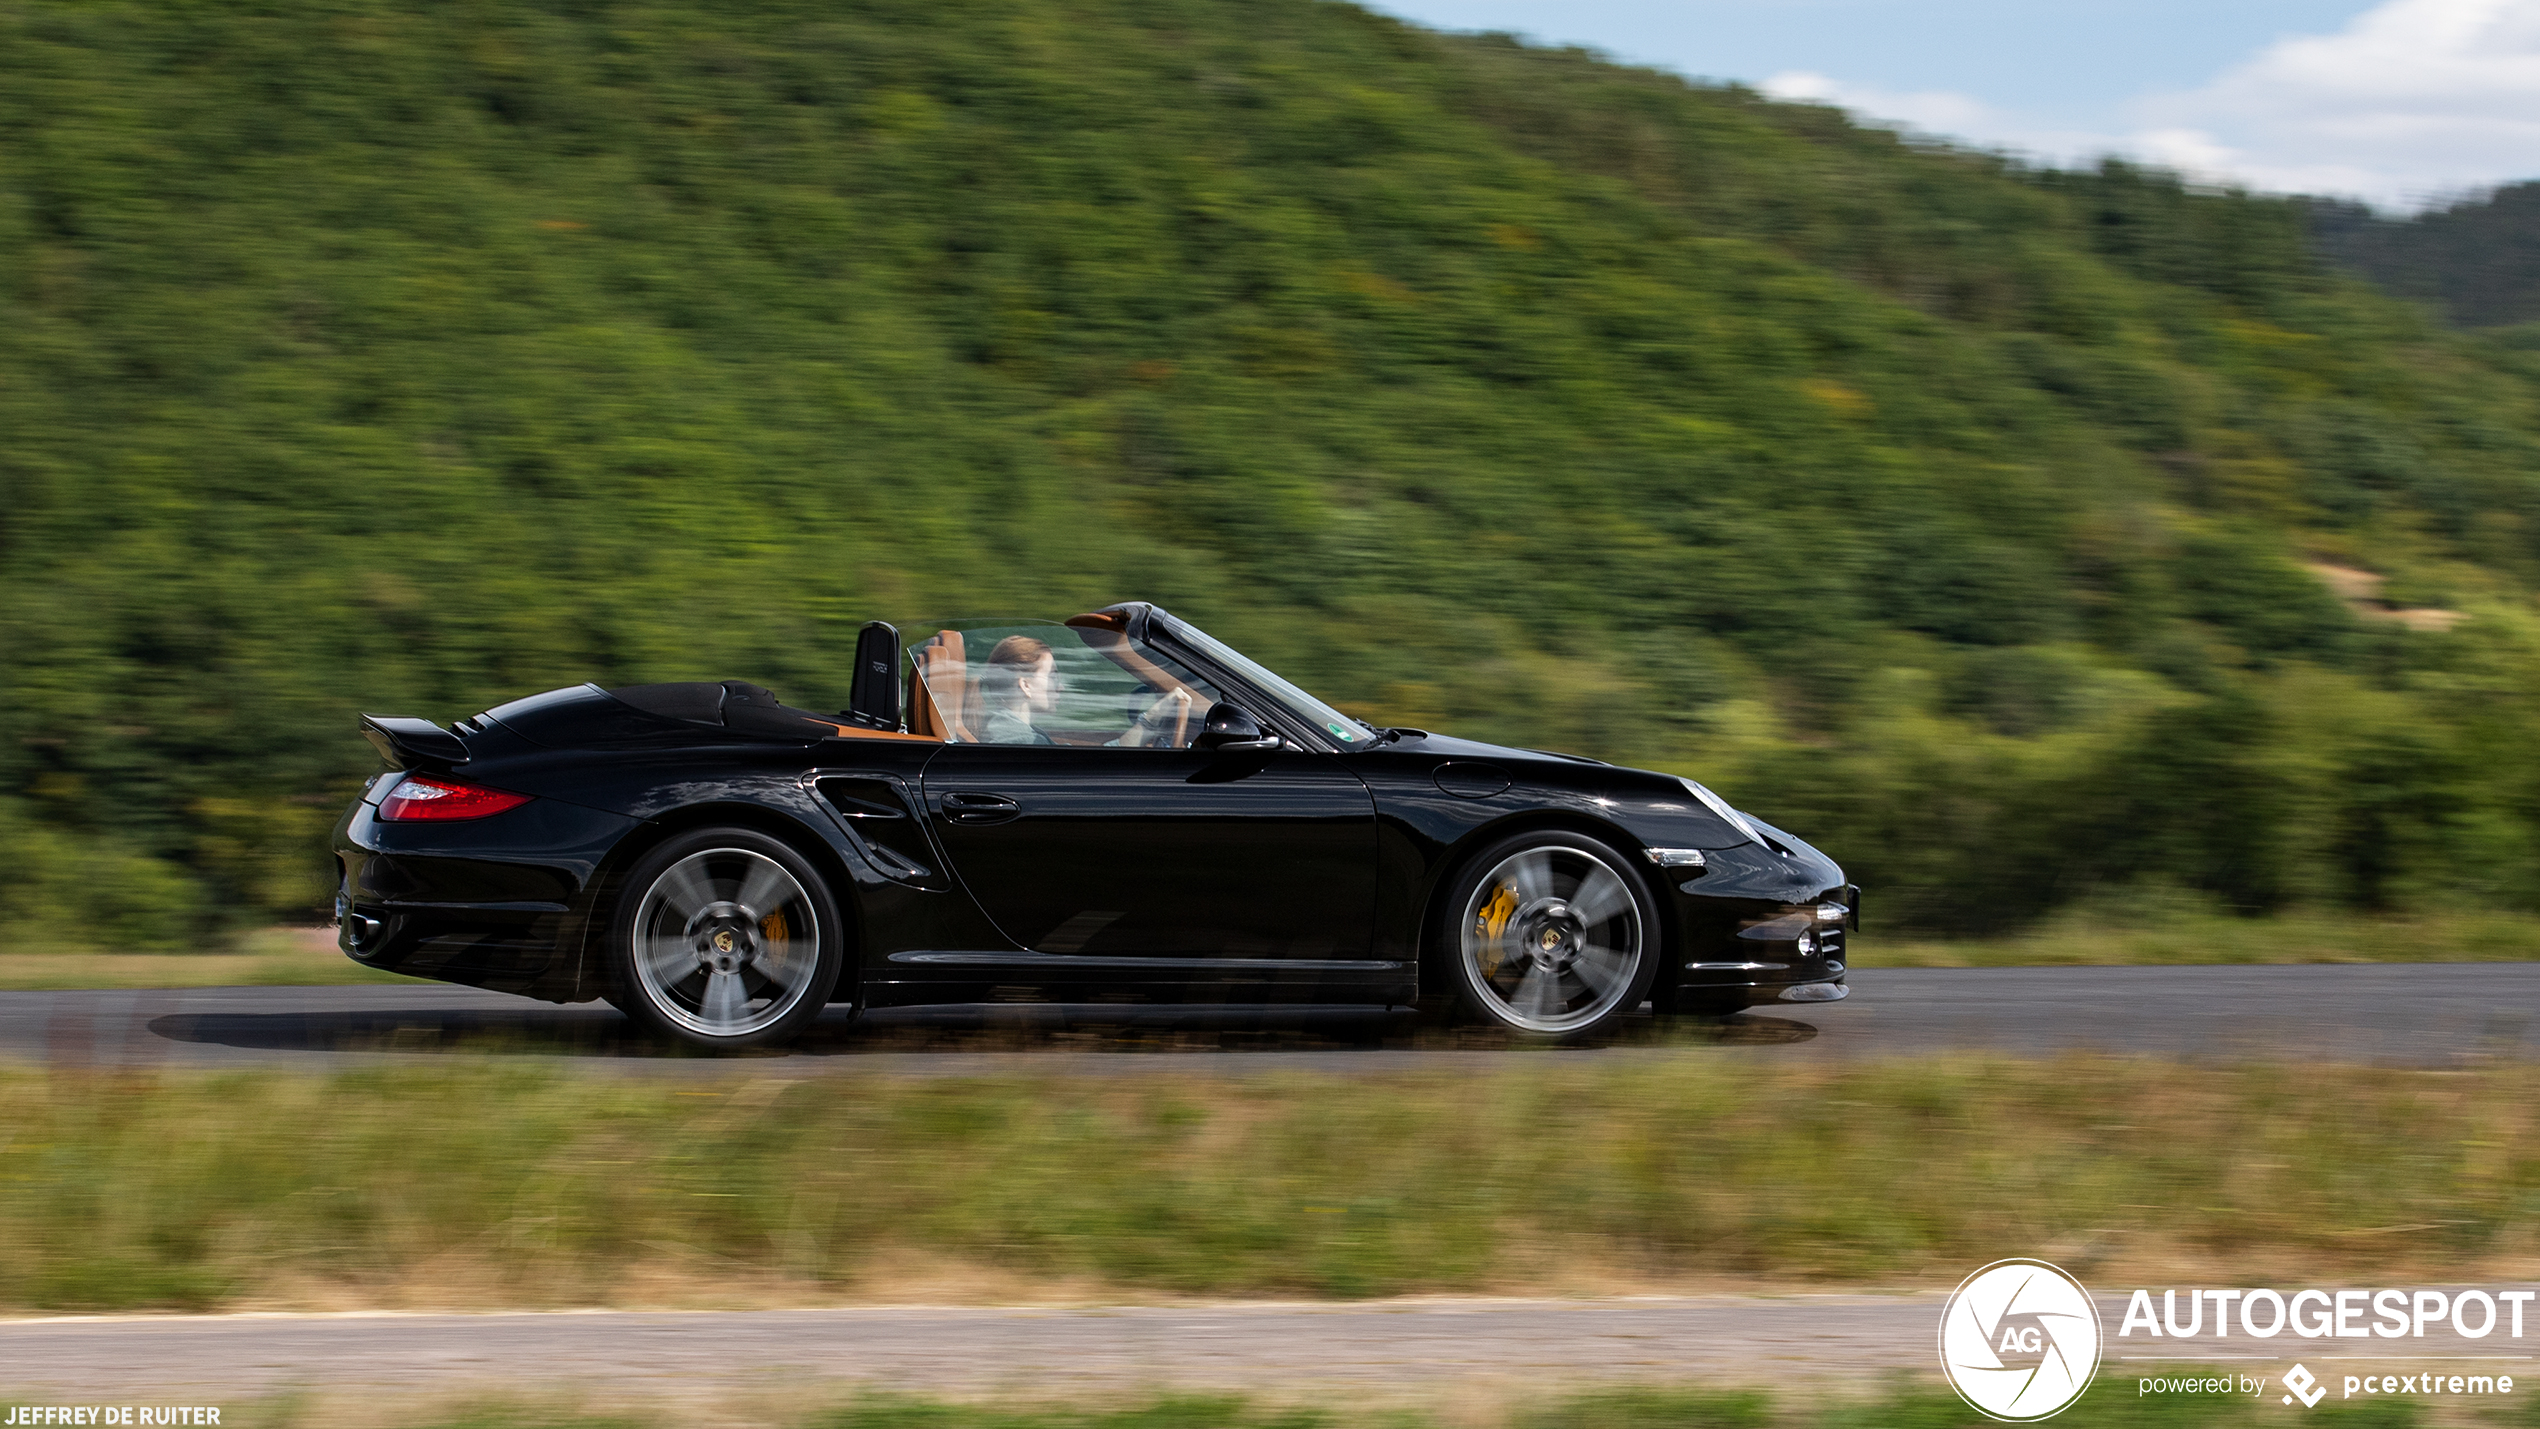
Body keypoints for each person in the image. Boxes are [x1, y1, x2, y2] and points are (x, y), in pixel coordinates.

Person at [973, 634, 1197, 746]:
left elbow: (1087, 765)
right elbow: (1088, 773)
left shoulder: (1022, 733)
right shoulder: (1019, 740)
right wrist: (1149, 720)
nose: (1059, 687)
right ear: (1026, 685)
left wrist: (1150, 721)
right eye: (1052, 676)